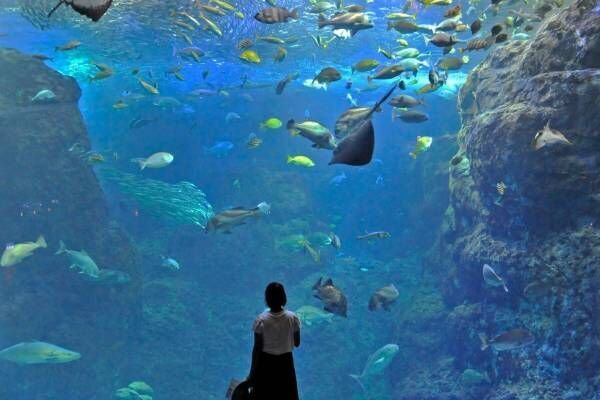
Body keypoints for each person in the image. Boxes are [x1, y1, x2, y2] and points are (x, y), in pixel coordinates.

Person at [247, 282, 301, 400]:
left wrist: (252, 374)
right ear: (284, 298)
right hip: (286, 363)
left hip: (266, 364)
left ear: (267, 299)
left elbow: (257, 349)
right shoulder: (293, 318)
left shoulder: (261, 320)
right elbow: (297, 343)